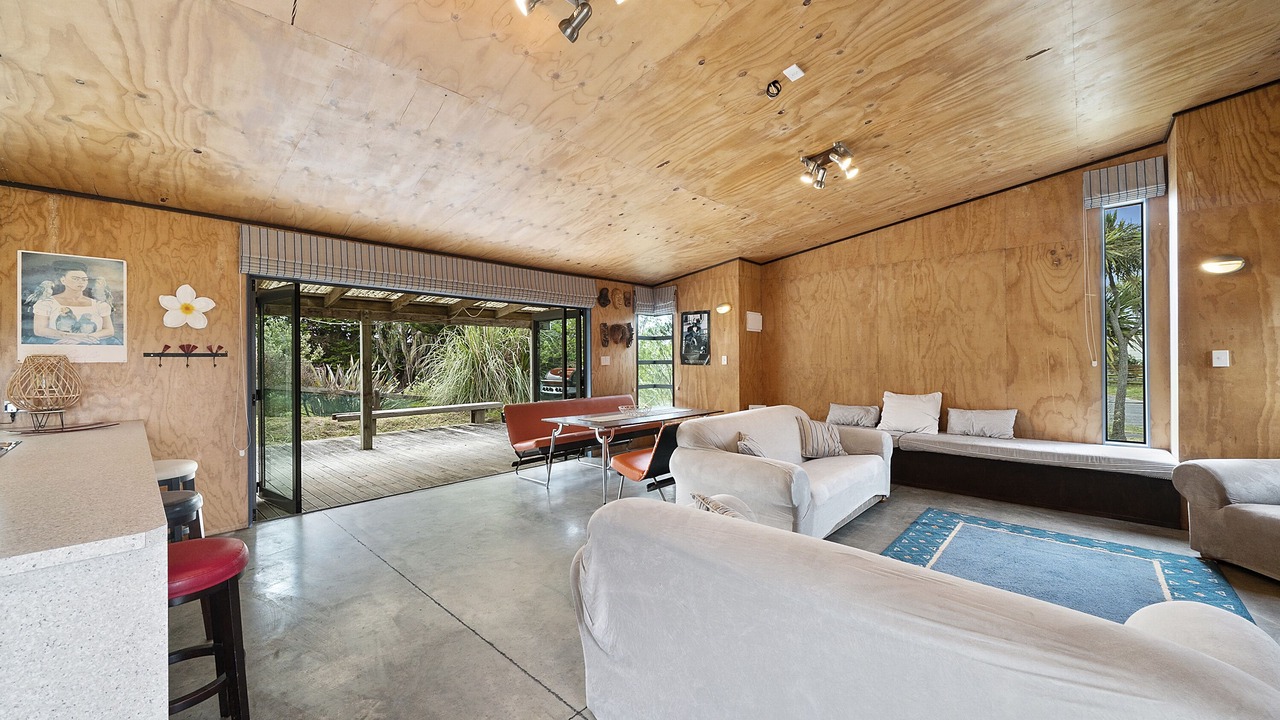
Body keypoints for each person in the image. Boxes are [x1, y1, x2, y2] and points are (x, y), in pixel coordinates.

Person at [28, 261, 117, 345]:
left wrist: (83, 338)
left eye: (84, 279)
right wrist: (75, 337)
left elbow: (109, 330)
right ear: (63, 280)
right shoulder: (47, 304)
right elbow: (40, 330)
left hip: (93, 348)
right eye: (75, 279)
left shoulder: (99, 305)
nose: (81, 282)